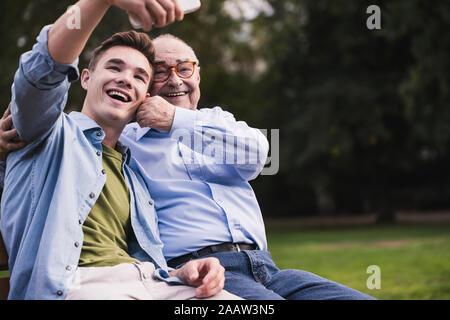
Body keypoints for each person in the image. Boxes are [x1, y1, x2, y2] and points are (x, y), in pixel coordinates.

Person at [1, 13, 374, 301]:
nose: (175, 79)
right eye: (160, 72)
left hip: (266, 266)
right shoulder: (123, 140)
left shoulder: (217, 123)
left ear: (199, 74)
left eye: (185, 68)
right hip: (195, 271)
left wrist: (176, 121)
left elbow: (259, 154)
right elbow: (47, 118)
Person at [0, 0, 239, 300]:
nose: (126, 78)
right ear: (85, 78)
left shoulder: (134, 171)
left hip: (149, 283)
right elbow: (42, 71)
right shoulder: (48, 132)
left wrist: (180, 272)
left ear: (145, 97)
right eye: (114, 67)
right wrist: (97, 2)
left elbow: (137, 256)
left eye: (140, 76)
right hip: (76, 287)